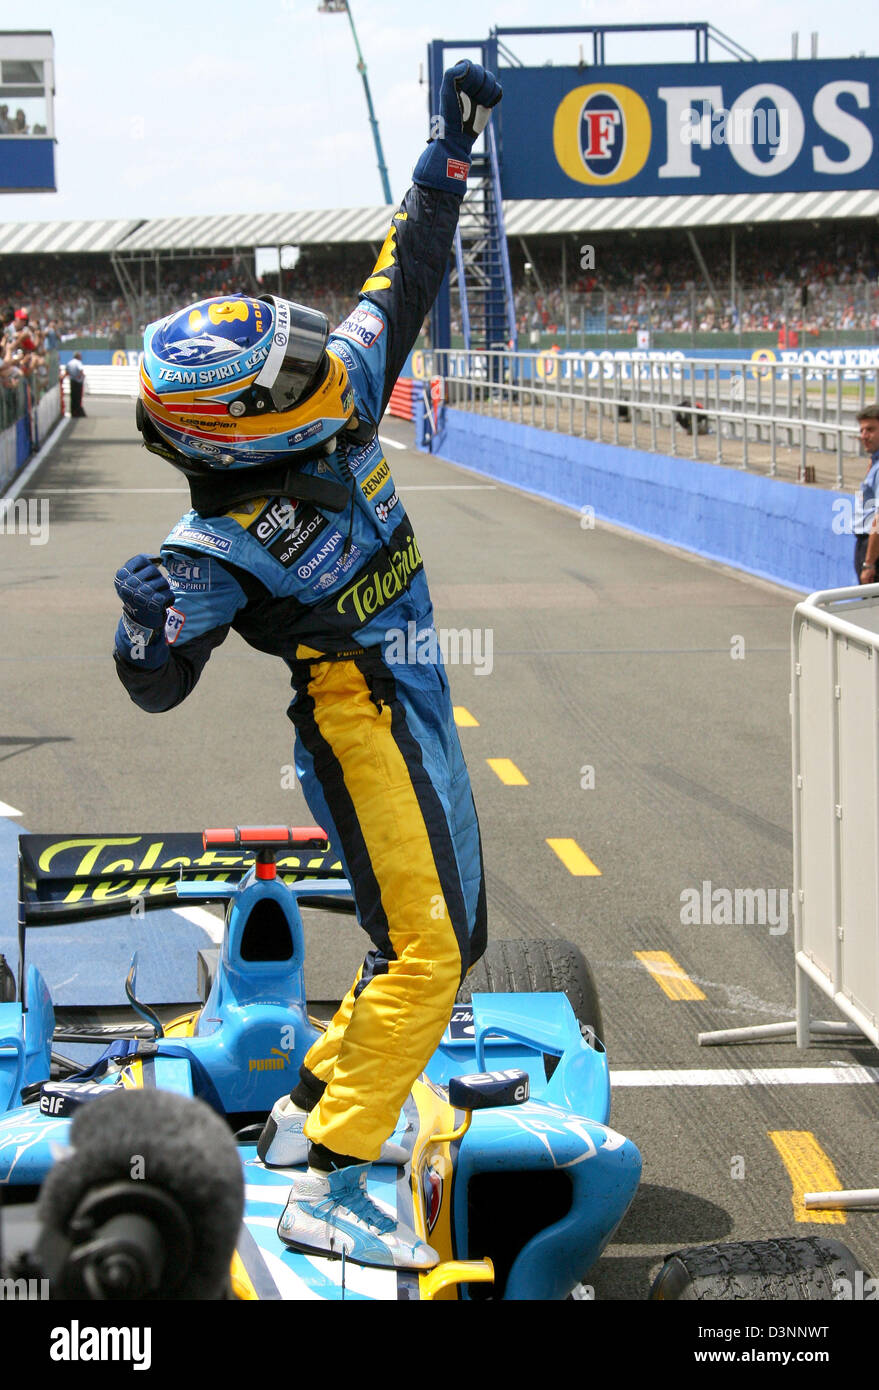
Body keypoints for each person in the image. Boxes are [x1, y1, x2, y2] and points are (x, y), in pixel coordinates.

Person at [112, 60, 501, 1270]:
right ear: (233, 427)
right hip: (358, 717)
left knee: (453, 935)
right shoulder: (212, 543)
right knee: (429, 956)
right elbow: (155, 677)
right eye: (284, 368)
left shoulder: (344, 387)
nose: (319, 359)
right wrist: (143, 632)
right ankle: (330, 1176)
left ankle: (304, 1110)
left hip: (414, 691)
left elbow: (406, 275)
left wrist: (444, 169)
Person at [854, 405, 879, 583]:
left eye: (870, 429)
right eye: (862, 430)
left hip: (873, 549)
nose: (864, 436)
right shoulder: (875, 463)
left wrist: (869, 563)